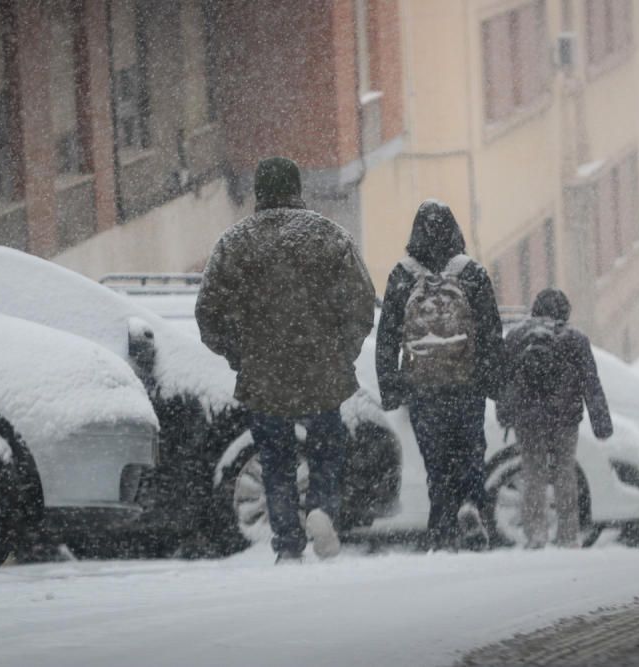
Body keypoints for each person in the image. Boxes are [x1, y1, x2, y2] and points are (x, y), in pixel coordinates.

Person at [195, 157, 375, 562]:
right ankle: (322, 508)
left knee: (276, 462)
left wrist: (240, 355)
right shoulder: (330, 237)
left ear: (258, 191)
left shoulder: (234, 243)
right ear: (298, 188)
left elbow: (208, 313)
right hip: (322, 372)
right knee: (327, 449)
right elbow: (362, 304)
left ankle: (287, 545)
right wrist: (341, 353)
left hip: (265, 374)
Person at [375, 200, 504, 551]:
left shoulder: (402, 275)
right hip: (467, 386)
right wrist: (495, 384)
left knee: (438, 464)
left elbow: (387, 335)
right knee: (470, 454)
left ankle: (441, 533)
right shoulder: (472, 273)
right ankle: (471, 506)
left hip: (424, 389)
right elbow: (492, 332)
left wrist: (391, 388)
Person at [497, 288, 613, 549]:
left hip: (527, 419)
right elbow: (591, 384)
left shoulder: (516, 337)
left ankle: (535, 534)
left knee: (533, 473)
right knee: (565, 472)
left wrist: (505, 415)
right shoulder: (575, 340)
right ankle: (568, 534)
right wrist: (601, 425)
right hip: (564, 418)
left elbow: (502, 381)